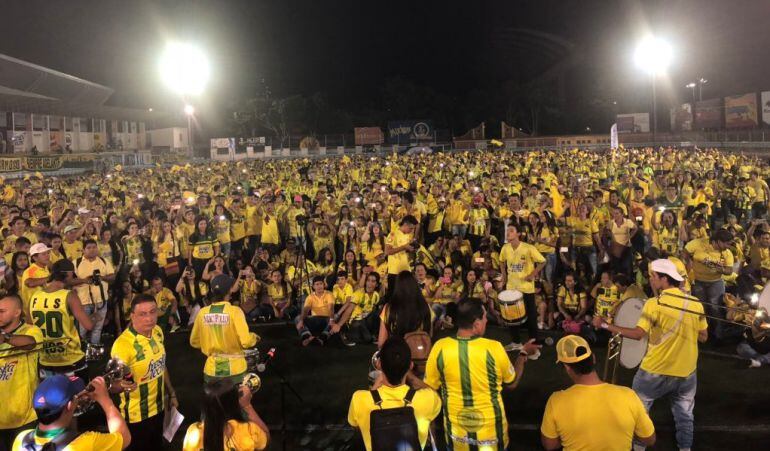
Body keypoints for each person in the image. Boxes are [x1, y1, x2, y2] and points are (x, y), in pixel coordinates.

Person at [593, 259, 707, 451]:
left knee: (640, 413)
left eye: (653, 276)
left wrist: (604, 325)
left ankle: (638, 448)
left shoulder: (654, 304)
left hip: (655, 370)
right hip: (686, 371)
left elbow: (638, 335)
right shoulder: (696, 303)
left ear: (664, 279)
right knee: (685, 416)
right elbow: (703, 337)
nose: (651, 280)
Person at [424, 298, 540, 450]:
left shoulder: (440, 347)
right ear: (476, 324)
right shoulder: (494, 348)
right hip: (492, 441)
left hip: (456, 441)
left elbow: (429, 388)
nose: (486, 321)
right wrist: (523, 353)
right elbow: (512, 383)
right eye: (484, 317)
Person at [540, 335, 656, 451]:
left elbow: (550, 445)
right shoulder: (628, 395)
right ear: (593, 358)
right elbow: (649, 439)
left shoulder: (556, 401)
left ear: (567, 367)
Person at [348, 336, 441, 451]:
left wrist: (379, 380)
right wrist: (411, 376)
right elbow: (435, 395)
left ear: (379, 364)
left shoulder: (359, 399)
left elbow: (354, 425)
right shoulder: (428, 398)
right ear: (410, 366)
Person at [111, 293, 178, 451]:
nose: (149, 318)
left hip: (159, 407)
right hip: (136, 416)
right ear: (132, 316)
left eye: (152, 312)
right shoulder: (122, 345)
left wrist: (172, 393)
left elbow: (161, 365)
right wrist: (122, 386)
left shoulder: (158, 332)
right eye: (142, 314)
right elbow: (111, 386)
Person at [12, 375, 131, 450]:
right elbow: (124, 439)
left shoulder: (21, 439)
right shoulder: (86, 443)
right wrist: (106, 400)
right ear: (69, 405)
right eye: (75, 397)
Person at [29, 259, 94, 379]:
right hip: (70, 357)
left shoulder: (35, 296)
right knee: (80, 395)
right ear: (68, 275)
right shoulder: (69, 295)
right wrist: (94, 317)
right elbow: (88, 325)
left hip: (45, 358)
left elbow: (30, 325)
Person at [190, 274, 260, 382]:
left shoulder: (202, 313)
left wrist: (210, 344)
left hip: (212, 370)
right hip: (236, 370)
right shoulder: (235, 311)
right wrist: (254, 337)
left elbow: (194, 341)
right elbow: (246, 341)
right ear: (230, 290)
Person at [0, 295, 43, 451]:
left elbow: (31, 343)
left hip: (25, 418)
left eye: (2, 311)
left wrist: (5, 338)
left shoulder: (32, 330)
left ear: (17, 312)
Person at [182, 378, 269, 451]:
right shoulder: (248, 430)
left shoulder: (193, 433)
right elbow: (266, 439)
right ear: (233, 404)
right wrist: (247, 406)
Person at [498, 224, 545, 350]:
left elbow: (542, 261)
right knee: (511, 317)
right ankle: (516, 343)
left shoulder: (528, 248)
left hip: (526, 288)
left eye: (511, 231)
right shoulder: (505, 248)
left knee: (531, 316)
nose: (508, 233)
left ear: (518, 234)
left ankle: (534, 343)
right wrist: (504, 276)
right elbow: (501, 261)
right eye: (507, 231)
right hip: (511, 288)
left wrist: (532, 275)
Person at [682, 229, 734, 342]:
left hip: (716, 282)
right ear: (718, 241)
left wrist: (721, 269)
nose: (728, 246)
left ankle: (718, 336)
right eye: (727, 243)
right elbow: (684, 252)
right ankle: (700, 335)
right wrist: (688, 263)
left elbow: (729, 270)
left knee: (716, 309)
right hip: (698, 282)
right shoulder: (699, 243)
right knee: (701, 309)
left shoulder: (727, 253)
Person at [72, 239, 115, 345]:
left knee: (98, 328)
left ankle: (94, 350)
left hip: (101, 300)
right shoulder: (76, 263)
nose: (92, 250)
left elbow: (113, 277)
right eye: (89, 248)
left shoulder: (104, 261)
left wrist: (102, 278)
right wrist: (84, 280)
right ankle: (81, 349)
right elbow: (69, 281)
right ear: (83, 250)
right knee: (83, 329)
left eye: (94, 247)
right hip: (83, 301)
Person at [295, 276, 336, 346]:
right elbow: (305, 310)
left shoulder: (329, 294)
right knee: (298, 318)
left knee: (335, 317)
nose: (319, 286)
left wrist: (332, 320)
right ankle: (307, 337)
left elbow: (331, 308)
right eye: (317, 284)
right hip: (314, 319)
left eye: (321, 284)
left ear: (324, 285)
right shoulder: (310, 297)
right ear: (313, 286)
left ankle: (322, 338)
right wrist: (301, 320)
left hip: (326, 320)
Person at [384, 215, 418, 295]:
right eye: (411, 228)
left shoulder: (407, 235)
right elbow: (387, 251)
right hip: (394, 271)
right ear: (405, 224)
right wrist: (404, 247)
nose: (412, 231)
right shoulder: (393, 234)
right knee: (393, 296)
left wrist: (410, 249)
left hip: (405, 270)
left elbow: (404, 251)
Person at [20, 243, 51, 320]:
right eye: (43, 254)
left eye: (48, 253)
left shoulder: (45, 268)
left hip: (43, 307)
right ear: (35, 258)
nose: (47, 256)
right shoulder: (31, 270)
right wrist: (50, 278)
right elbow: (29, 282)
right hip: (32, 310)